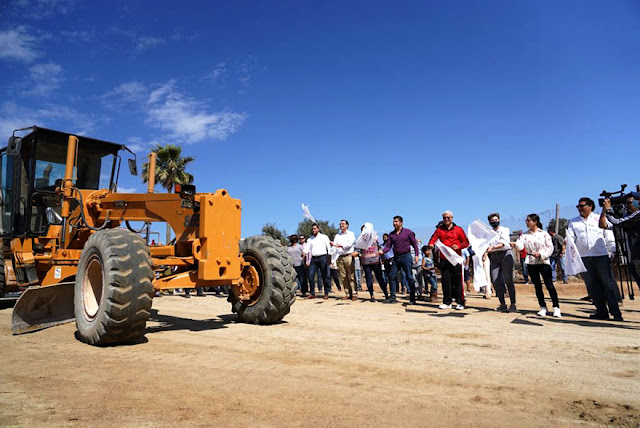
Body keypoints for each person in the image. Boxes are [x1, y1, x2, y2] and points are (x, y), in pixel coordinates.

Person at [566, 198, 622, 321]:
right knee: (592, 286)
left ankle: (616, 312)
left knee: (608, 285)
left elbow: (608, 236)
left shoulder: (599, 218)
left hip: (601, 255)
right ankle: (601, 311)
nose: (579, 208)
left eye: (582, 206)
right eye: (578, 206)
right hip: (584, 258)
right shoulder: (573, 222)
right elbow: (570, 238)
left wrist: (612, 251)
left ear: (591, 206)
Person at [511, 214, 561, 318]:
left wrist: (542, 254)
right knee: (537, 286)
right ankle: (542, 307)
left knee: (549, 285)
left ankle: (556, 307)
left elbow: (550, 248)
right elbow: (520, 246)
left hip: (543, 261)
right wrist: (515, 245)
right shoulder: (524, 235)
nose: (526, 222)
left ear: (535, 222)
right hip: (531, 262)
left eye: (528, 220)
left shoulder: (544, 234)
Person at [428, 211, 469, 310]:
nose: (446, 219)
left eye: (448, 218)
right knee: (446, 281)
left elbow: (466, 242)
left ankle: (460, 302)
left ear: (452, 218)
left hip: (455, 259)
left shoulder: (458, 229)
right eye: (444, 218)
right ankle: (447, 302)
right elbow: (433, 238)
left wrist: (458, 246)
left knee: (458, 281)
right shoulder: (439, 230)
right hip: (444, 259)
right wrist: (431, 244)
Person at [602, 193, 640, 294]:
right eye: (625, 203)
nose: (626, 206)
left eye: (629, 203)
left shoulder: (637, 215)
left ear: (638, 202)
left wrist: (609, 210)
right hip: (633, 257)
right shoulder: (631, 217)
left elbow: (617, 222)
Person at [380, 216, 420, 304]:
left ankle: (412, 298)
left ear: (401, 223)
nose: (394, 223)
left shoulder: (408, 232)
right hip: (396, 257)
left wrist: (416, 255)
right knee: (391, 276)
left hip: (406, 256)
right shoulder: (391, 234)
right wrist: (381, 251)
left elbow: (415, 244)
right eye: (393, 221)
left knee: (409, 276)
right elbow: (388, 247)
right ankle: (393, 297)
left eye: (396, 221)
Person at [485, 213, 516, 312]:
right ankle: (502, 303)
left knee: (508, 280)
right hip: (494, 256)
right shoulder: (488, 233)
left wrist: (493, 247)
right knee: (495, 280)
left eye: (496, 220)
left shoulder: (504, 230)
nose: (494, 222)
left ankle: (513, 303)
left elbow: (503, 243)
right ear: (489, 222)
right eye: (492, 221)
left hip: (505, 254)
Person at [354, 225, 389, 302]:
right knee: (369, 279)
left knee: (380, 278)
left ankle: (386, 294)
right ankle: (371, 295)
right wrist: (356, 253)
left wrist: (382, 258)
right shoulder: (360, 240)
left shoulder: (375, 238)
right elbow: (357, 250)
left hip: (376, 261)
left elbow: (380, 248)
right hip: (366, 262)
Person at [331, 219, 357, 300]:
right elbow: (334, 248)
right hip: (340, 257)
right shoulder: (337, 236)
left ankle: (354, 293)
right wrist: (333, 259)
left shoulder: (351, 234)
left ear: (347, 225)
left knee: (351, 275)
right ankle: (347, 293)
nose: (341, 225)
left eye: (343, 224)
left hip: (348, 256)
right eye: (340, 224)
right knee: (343, 276)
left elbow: (349, 244)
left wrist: (339, 245)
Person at [306, 223, 332, 300]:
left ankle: (326, 293)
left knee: (324, 275)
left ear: (318, 229)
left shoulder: (324, 237)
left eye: (315, 228)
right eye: (313, 229)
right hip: (313, 259)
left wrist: (329, 256)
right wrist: (304, 253)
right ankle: (312, 293)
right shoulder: (310, 239)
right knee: (310, 275)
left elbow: (328, 246)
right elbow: (307, 248)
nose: (313, 230)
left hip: (323, 257)